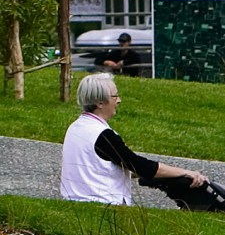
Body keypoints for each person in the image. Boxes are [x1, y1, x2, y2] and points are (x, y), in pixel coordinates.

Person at [59, 72, 208, 205]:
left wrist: (161, 174)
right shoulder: (102, 135)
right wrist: (185, 172)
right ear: (100, 102)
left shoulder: (76, 127)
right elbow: (136, 164)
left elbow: (113, 165)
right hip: (102, 203)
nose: (119, 100)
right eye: (115, 96)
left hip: (75, 201)